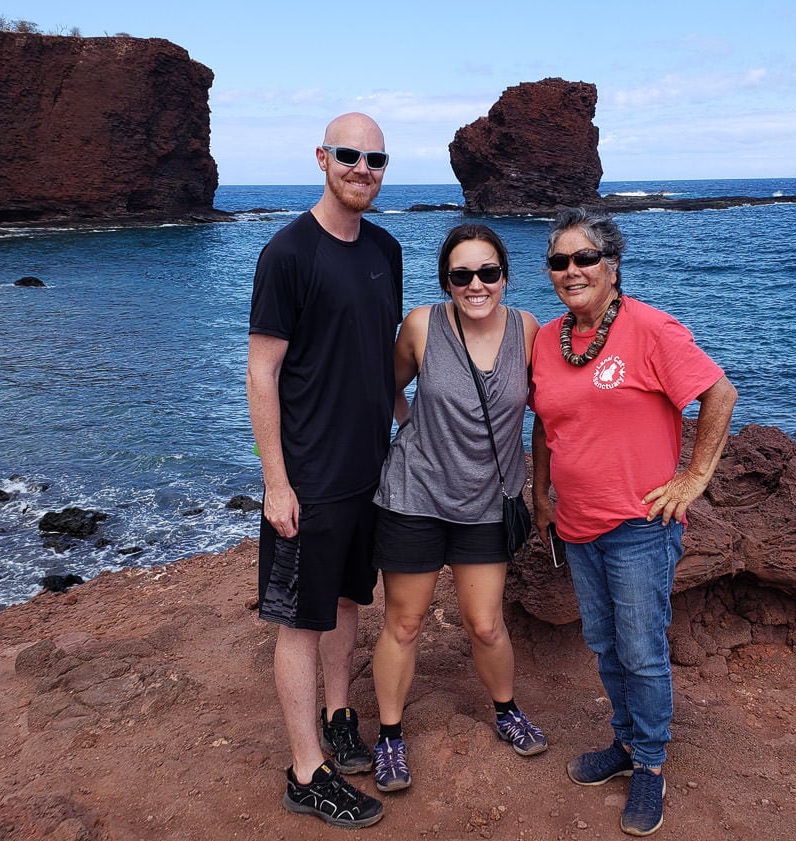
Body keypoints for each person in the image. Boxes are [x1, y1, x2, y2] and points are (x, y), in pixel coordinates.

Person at [529, 209, 737, 837]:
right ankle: (624, 745)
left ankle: (649, 764)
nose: (572, 271)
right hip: (577, 524)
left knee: (642, 652)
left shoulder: (650, 328)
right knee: (604, 643)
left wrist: (693, 480)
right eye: (560, 262)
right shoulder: (548, 338)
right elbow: (543, 422)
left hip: (639, 525)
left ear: (612, 266)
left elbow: (718, 393)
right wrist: (541, 495)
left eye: (584, 258)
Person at [246, 112, 402, 829]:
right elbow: (262, 371)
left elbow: (375, 357)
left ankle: (340, 714)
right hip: (308, 475)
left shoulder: (386, 251)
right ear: (321, 158)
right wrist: (276, 480)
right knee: (298, 621)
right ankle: (305, 772)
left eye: (375, 158)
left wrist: (414, 426)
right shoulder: (288, 253)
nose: (362, 168)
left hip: (368, 471)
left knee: (346, 601)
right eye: (349, 155)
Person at [369, 223, 546, 793]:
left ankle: (506, 710)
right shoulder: (421, 325)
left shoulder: (528, 329)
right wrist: (409, 427)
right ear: (446, 280)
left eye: (488, 272)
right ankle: (390, 738)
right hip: (415, 496)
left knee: (486, 624)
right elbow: (388, 386)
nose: (476, 285)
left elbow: (551, 408)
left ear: (505, 275)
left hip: (488, 502)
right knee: (405, 620)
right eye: (462, 275)